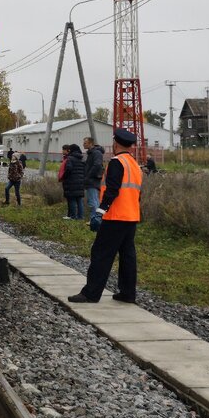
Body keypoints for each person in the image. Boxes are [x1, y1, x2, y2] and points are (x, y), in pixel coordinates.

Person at [68, 128, 144, 304]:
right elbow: (136, 194)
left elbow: (112, 190)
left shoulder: (117, 162)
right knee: (127, 256)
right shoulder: (134, 164)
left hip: (115, 216)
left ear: (115, 143)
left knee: (101, 253)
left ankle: (91, 293)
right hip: (131, 216)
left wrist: (100, 211)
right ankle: (127, 293)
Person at [60, 142, 86, 219]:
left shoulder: (70, 158)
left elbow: (68, 169)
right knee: (79, 200)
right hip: (80, 181)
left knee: (72, 199)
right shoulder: (82, 158)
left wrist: (64, 177)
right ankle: (80, 217)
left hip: (71, 181)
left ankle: (73, 216)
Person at [83, 135, 105, 216]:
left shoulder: (96, 153)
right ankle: (96, 218)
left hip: (93, 180)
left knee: (93, 200)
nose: (83, 144)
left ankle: (95, 219)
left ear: (91, 143)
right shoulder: (91, 153)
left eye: (85, 143)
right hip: (91, 180)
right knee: (93, 200)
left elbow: (97, 165)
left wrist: (88, 175)